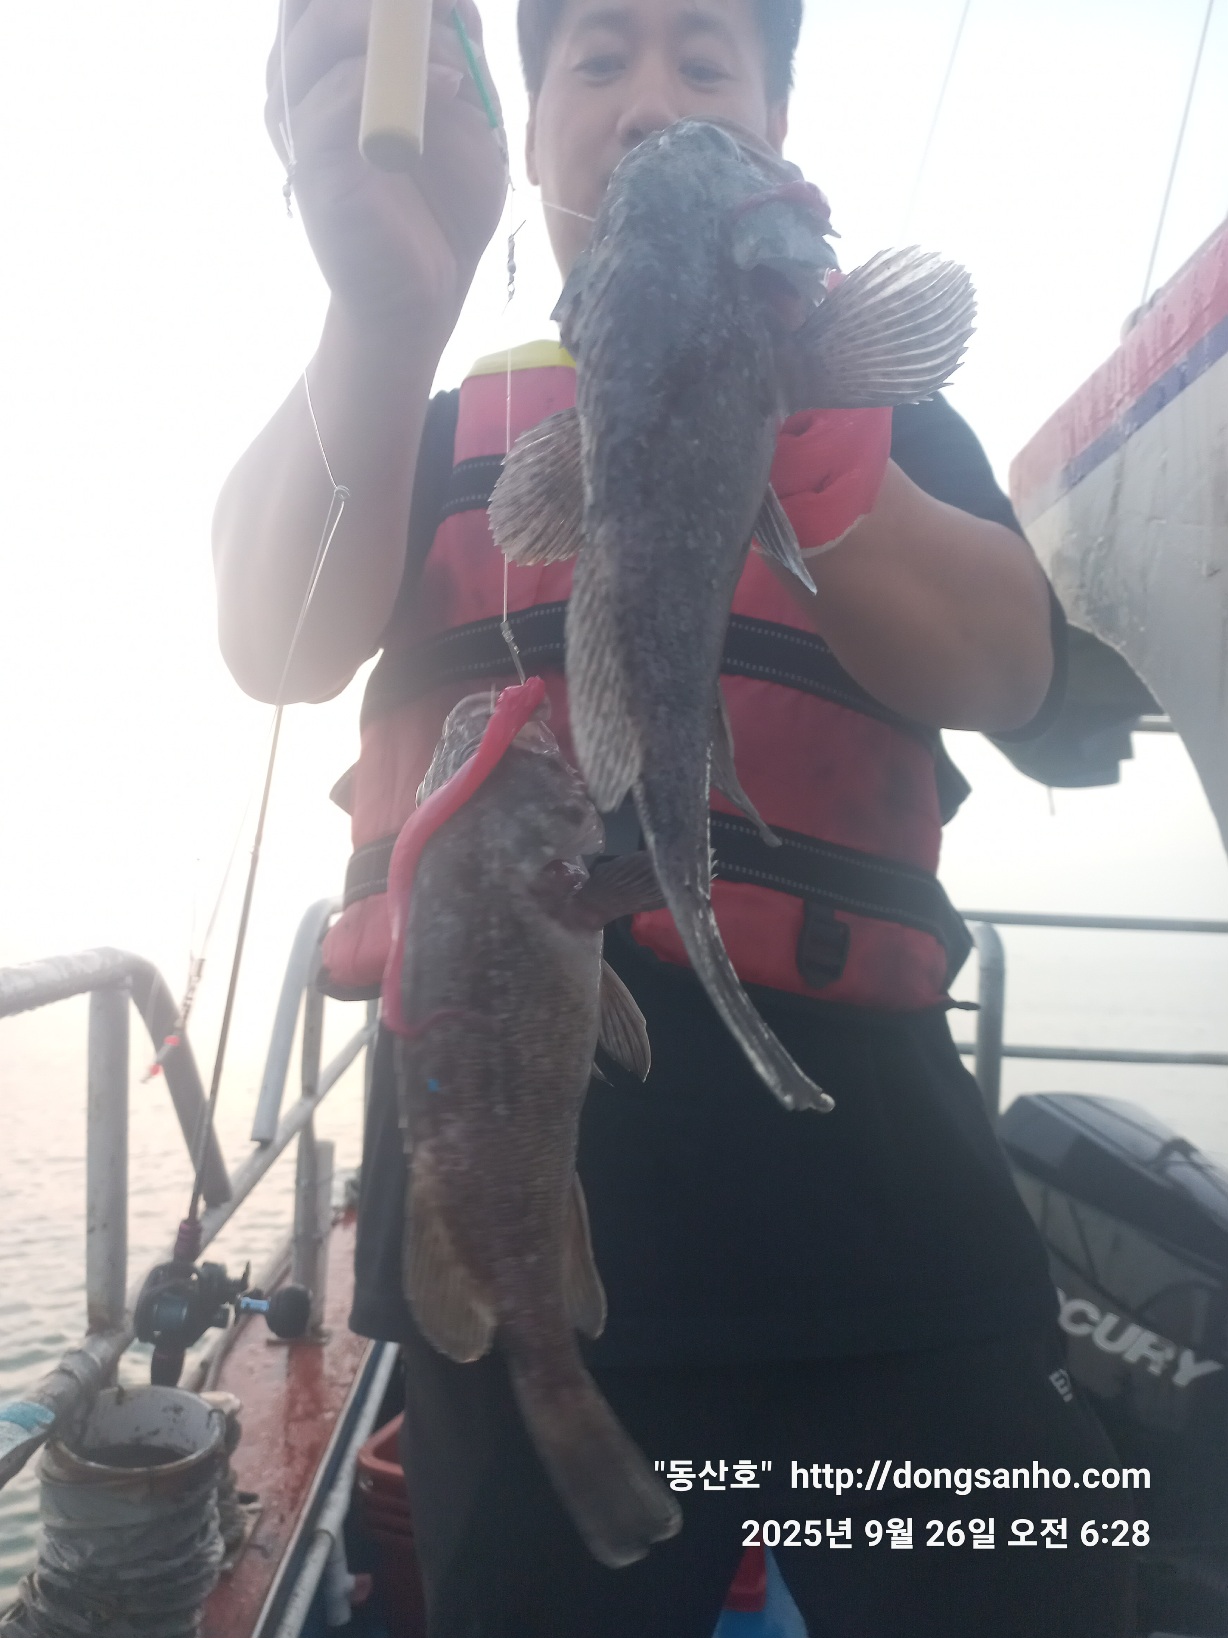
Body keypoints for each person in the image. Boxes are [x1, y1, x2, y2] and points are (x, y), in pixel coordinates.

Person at [213, 3, 1137, 1634]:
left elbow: (1010, 666)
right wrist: (383, 310)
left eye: (707, 63)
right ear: (526, 131)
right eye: (598, 59)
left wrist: (812, 438)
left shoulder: (880, 420)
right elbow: (271, 637)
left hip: (883, 1216)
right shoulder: (427, 431)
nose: (651, 104)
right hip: (509, 1185)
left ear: (779, 133)